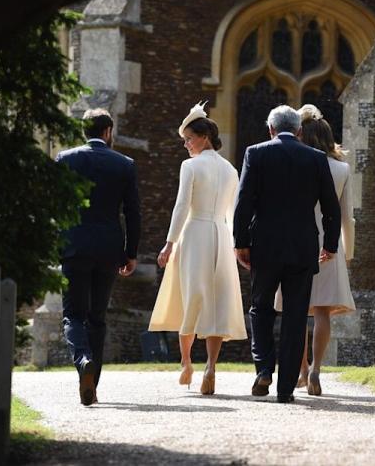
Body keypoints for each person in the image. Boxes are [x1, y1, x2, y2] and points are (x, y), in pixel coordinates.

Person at [233, 105, 341, 403]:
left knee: (260, 308)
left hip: (264, 245)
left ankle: (264, 369)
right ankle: (285, 388)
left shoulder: (256, 153)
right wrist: (330, 245)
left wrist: (240, 242)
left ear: (270, 129)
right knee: (295, 315)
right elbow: (332, 208)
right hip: (303, 246)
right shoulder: (317, 159)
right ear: (299, 131)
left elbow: (244, 202)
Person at [149, 103, 248, 395]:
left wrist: (169, 243)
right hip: (222, 235)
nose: (186, 145)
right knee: (217, 301)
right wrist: (236, 246)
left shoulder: (190, 166)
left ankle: (187, 361)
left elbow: (181, 207)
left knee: (191, 297)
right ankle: (211, 366)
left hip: (194, 234)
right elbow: (234, 213)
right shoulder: (231, 170)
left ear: (204, 136)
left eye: (189, 139)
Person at [55, 108, 140, 406]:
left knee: (73, 315)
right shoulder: (124, 164)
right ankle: (93, 382)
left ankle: (83, 362)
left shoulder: (65, 159)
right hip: (108, 250)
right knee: (97, 317)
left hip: (74, 247)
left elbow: (56, 206)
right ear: (108, 132)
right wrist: (130, 253)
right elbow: (132, 213)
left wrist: (57, 246)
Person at [274, 104, 356, 396]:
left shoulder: (299, 163)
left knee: (295, 310)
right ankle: (317, 371)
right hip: (330, 245)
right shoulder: (341, 169)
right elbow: (347, 215)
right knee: (322, 311)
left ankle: (302, 370)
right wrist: (348, 252)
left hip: (298, 240)